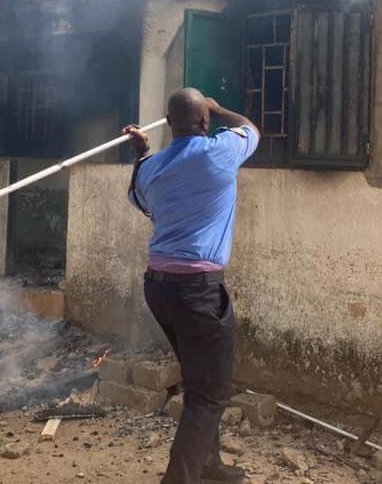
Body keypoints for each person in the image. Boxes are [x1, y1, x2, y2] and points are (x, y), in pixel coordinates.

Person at [123, 88, 260, 484]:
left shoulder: (151, 167)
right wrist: (219, 108)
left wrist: (141, 153)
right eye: (206, 116)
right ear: (205, 123)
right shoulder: (221, 151)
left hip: (160, 288)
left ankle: (208, 465)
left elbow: (140, 199)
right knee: (211, 392)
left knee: (199, 381)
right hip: (198, 289)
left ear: (168, 124)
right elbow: (251, 128)